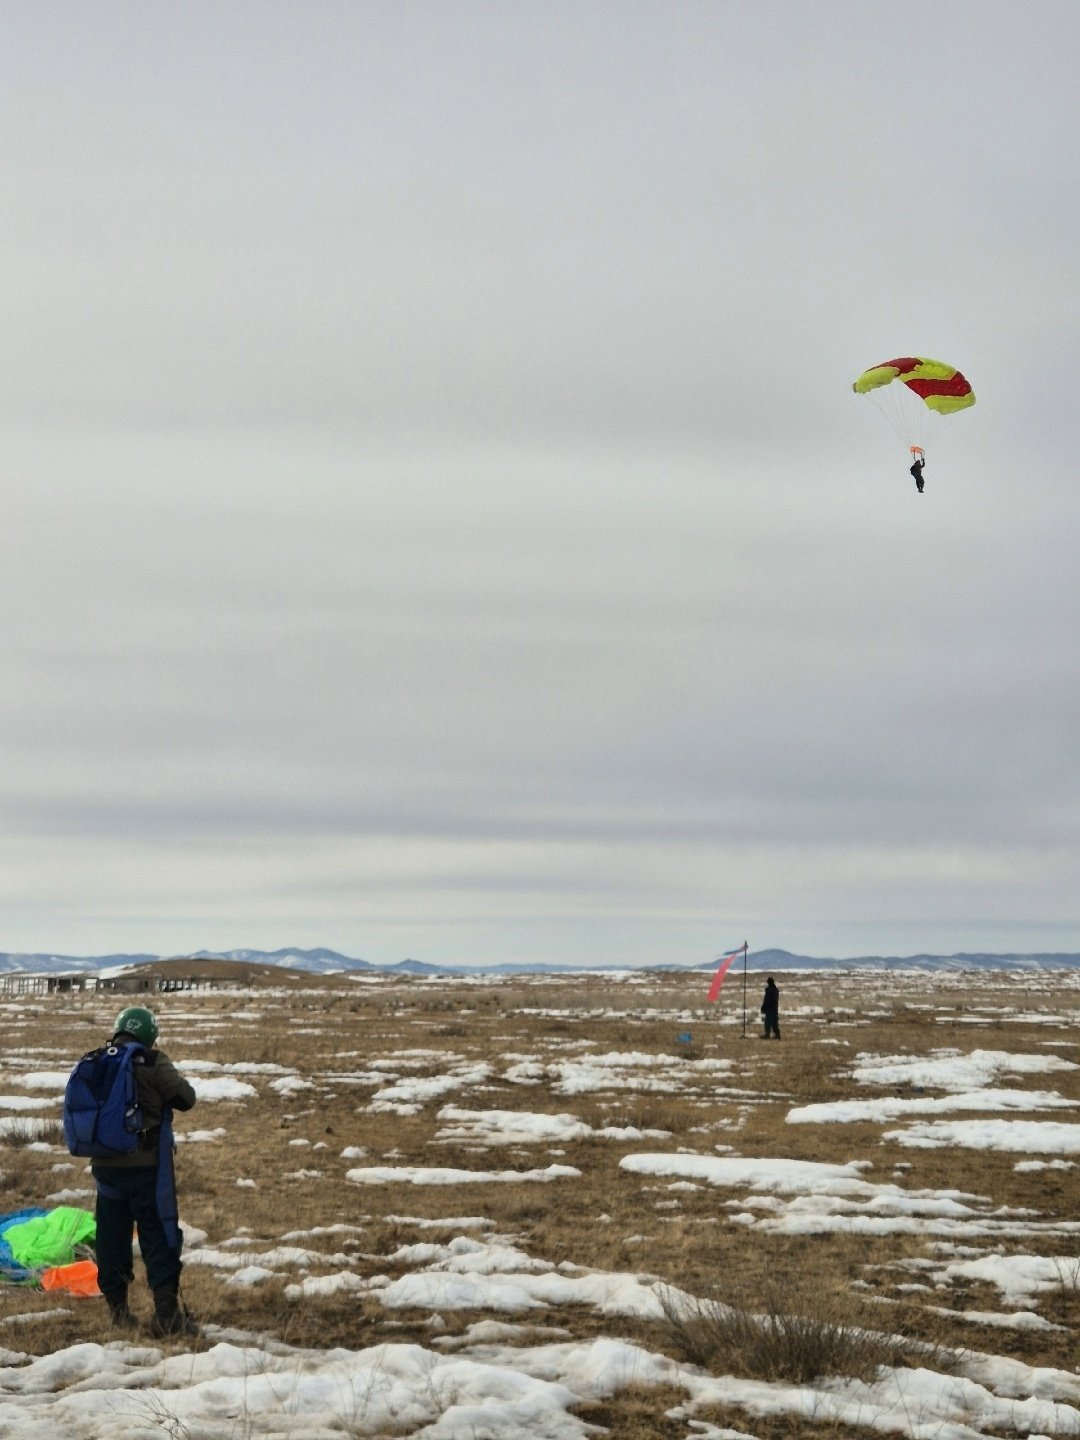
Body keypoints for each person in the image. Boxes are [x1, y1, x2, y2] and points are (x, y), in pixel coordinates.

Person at [90, 1006, 198, 1336]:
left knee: (110, 1237)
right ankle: (166, 1314)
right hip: (147, 1167)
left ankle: (118, 1313)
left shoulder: (96, 1060)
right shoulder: (152, 1060)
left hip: (105, 1168)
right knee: (158, 1232)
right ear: (149, 1034)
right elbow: (185, 1098)